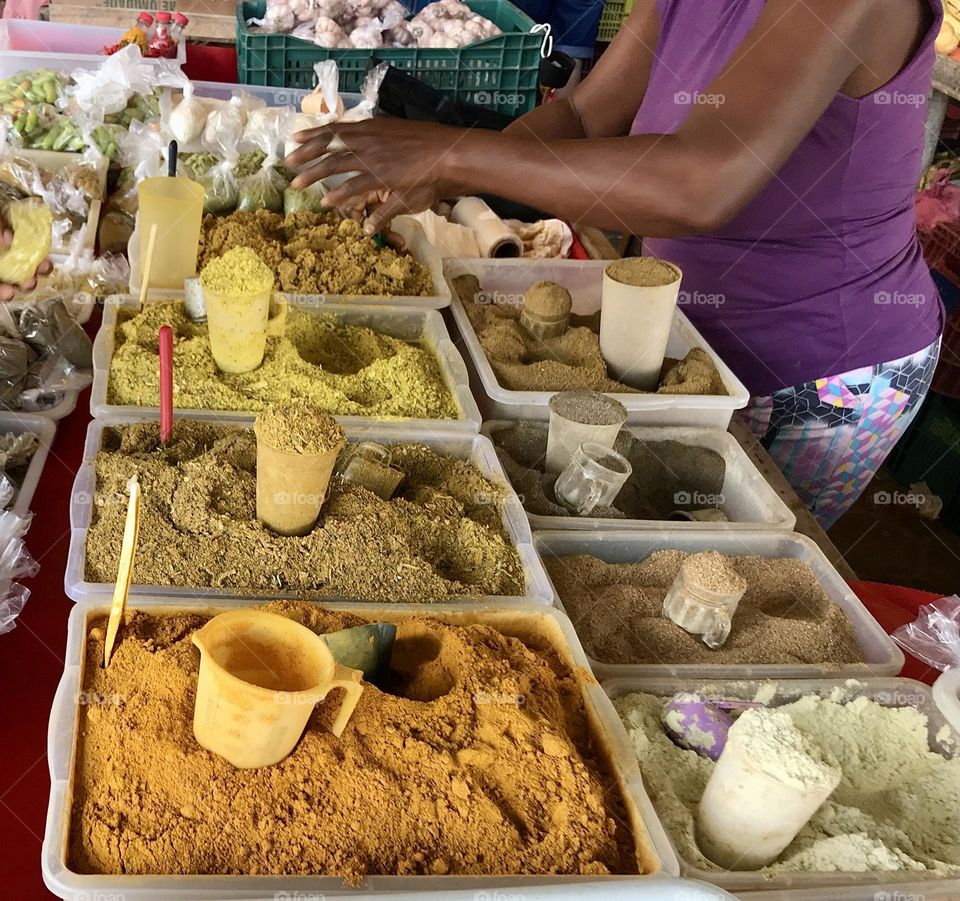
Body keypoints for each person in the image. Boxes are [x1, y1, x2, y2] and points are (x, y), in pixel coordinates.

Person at [286, 0, 944, 528]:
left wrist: (453, 155)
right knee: (646, 526)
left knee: (722, 550)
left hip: (820, 362)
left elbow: (702, 183)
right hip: (684, 327)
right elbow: (583, 112)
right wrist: (445, 180)